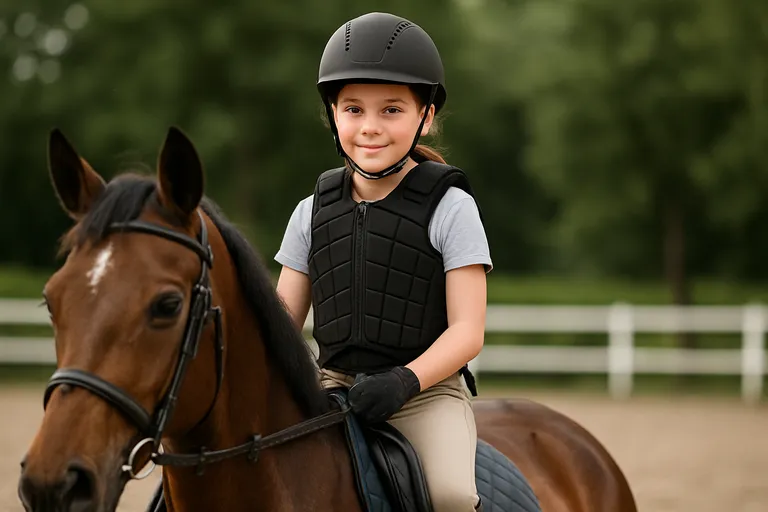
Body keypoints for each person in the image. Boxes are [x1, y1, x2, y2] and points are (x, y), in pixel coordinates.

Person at [275, 12, 492, 512]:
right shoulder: (311, 211)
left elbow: (468, 331)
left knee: (451, 497)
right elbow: (283, 321)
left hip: (423, 393)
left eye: (391, 110)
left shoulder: (451, 207)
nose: (370, 128)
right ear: (334, 113)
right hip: (330, 387)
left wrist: (403, 381)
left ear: (425, 115)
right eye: (353, 109)